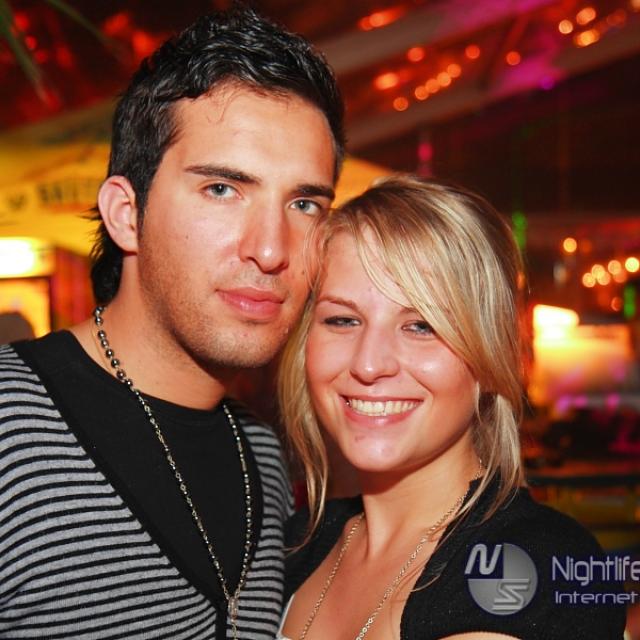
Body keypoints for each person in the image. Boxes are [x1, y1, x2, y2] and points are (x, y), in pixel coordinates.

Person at [0, 6, 343, 639]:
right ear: (126, 215)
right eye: (222, 189)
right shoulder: (10, 426)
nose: (272, 249)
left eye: (303, 203)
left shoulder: (263, 459)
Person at [278, 176, 627, 639]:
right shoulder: (294, 544)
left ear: (491, 355)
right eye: (342, 320)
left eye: (421, 326)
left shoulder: (538, 565)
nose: (368, 363)